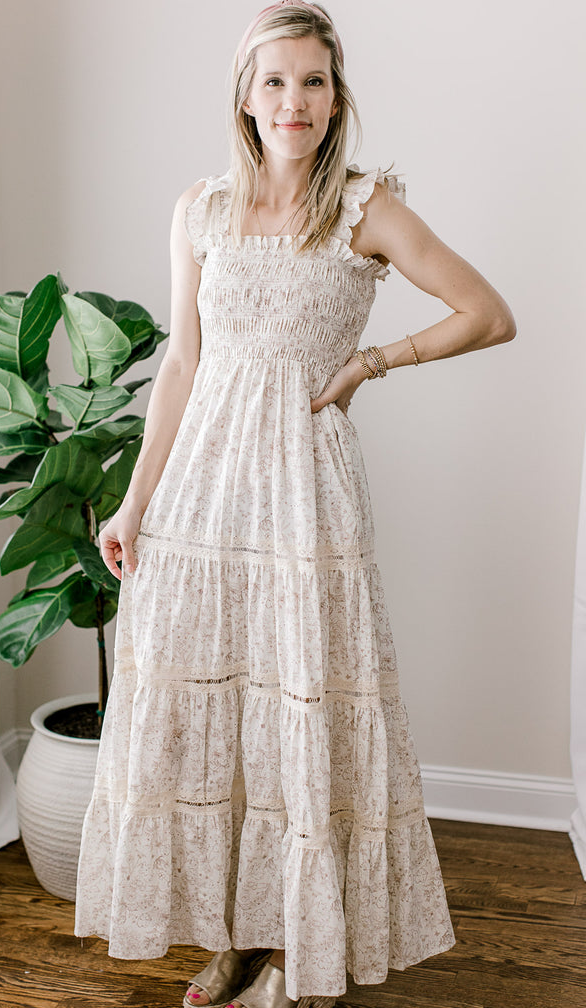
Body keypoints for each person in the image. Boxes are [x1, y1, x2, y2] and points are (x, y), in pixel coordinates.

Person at [74, 3, 516, 1007]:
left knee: (297, 718)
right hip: (203, 496)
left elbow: (487, 311)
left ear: (335, 94)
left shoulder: (366, 208)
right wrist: (134, 505)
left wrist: (371, 360)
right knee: (218, 723)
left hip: (304, 493)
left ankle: (297, 953)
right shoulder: (197, 209)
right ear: (245, 94)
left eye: (313, 82)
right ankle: (236, 940)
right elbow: (183, 364)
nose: (294, 101)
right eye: (275, 81)